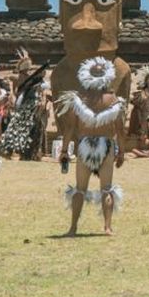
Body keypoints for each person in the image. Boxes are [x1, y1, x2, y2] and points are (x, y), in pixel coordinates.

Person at [57, 56, 126, 236]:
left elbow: (70, 128)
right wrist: (122, 152)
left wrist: (64, 150)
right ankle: (107, 227)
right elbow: (120, 128)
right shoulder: (113, 100)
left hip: (85, 145)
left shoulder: (79, 99)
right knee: (106, 188)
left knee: (80, 188)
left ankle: (73, 228)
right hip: (107, 145)